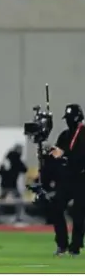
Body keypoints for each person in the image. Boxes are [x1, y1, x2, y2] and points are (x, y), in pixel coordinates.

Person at [48, 103, 85, 256]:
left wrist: (63, 154)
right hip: (67, 179)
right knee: (56, 208)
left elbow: (80, 156)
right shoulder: (64, 135)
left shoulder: (83, 134)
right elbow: (57, 156)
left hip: (82, 178)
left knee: (79, 213)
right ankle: (62, 243)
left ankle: (75, 246)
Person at [0, 144, 27, 224]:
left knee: (1, 202)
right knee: (19, 201)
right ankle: (18, 217)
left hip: (4, 184)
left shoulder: (6, 159)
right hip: (12, 184)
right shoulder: (18, 160)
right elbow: (24, 169)